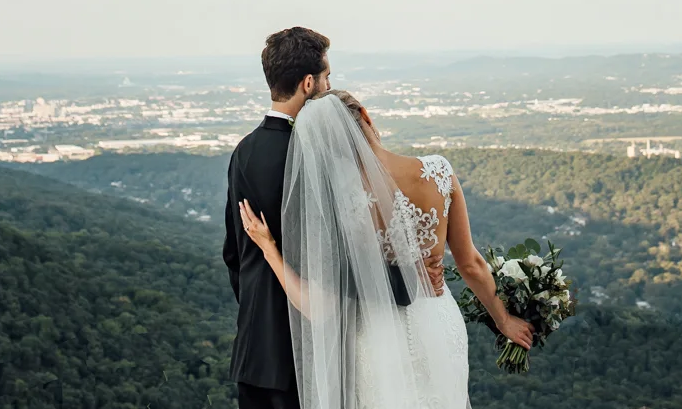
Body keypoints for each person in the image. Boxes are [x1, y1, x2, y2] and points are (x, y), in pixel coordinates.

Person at [238, 86, 533, 408]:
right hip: (436, 321)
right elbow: (471, 264)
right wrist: (504, 320)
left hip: (375, 337)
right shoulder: (438, 171)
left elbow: (319, 307)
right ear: (365, 115)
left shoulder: (337, 200)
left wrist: (269, 250)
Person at [224, 27, 333, 409]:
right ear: (308, 83)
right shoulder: (315, 155)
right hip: (302, 354)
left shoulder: (244, 151)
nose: (328, 86)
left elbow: (233, 254)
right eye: (326, 78)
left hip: (254, 351)